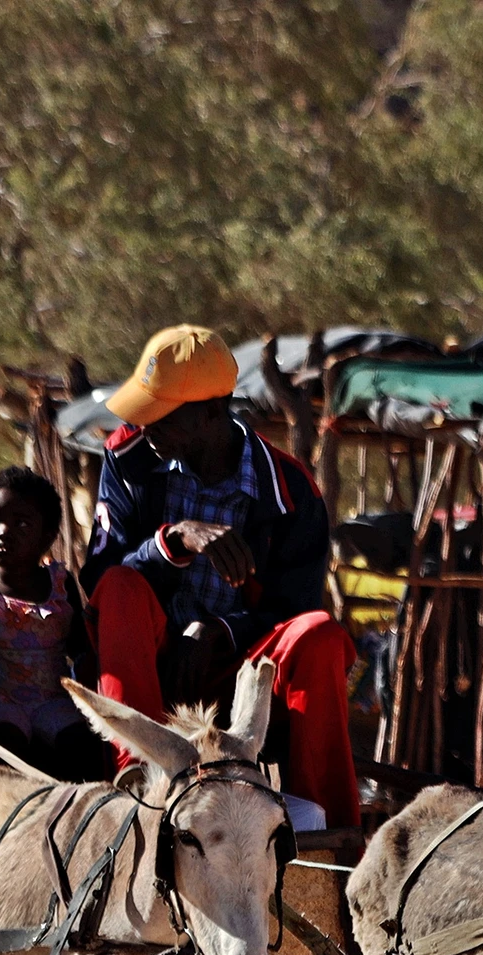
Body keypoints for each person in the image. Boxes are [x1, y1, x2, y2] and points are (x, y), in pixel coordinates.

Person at [82, 324, 359, 825]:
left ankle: (325, 824)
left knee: (319, 634)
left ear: (211, 412)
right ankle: (139, 771)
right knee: (120, 586)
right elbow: (99, 575)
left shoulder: (292, 492)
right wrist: (174, 541)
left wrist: (220, 631)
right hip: (148, 666)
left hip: (241, 676)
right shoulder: (127, 459)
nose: (145, 428)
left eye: (159, 416)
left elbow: (293, 611)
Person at [0, 466, 106, 782]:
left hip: (51, 699)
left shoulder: (60, 586)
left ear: (47, 536)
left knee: (83, 748)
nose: (3, 531)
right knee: (5, 750)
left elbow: (79, 647)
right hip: (0, 701)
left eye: (21, 524)